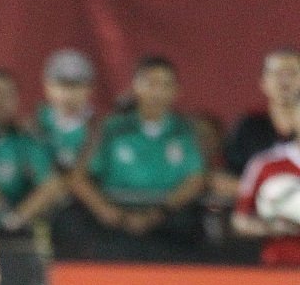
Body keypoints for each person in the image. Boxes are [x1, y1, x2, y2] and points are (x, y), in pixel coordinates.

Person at [68, 55, 206, 261]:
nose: (157, 92)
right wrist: (106, 211)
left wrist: (158, 213)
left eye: (165, 85)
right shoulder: (110, 128)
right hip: (116, 209)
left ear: (177, 91)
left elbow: (196, 179)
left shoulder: (185, 130)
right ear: (135, 86)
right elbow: (79, 178)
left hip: (166, 213)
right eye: (151, 83)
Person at [0, 68, 63, 234]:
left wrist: (16, 219)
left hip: (11, 229)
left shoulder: (27, 141)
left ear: (16, 99)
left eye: (5, 96)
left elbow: (50, 186)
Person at [232, 95, 300, 266]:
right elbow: (240, 220)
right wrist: (274, 228)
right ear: (291, 116)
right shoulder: (264, 164)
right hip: (280, 266)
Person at [224, 48, 300, 178]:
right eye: (277, 73)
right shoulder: (249, 125)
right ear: (263, 82)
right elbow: (226, 175)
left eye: (292, 73)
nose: (284, 81)